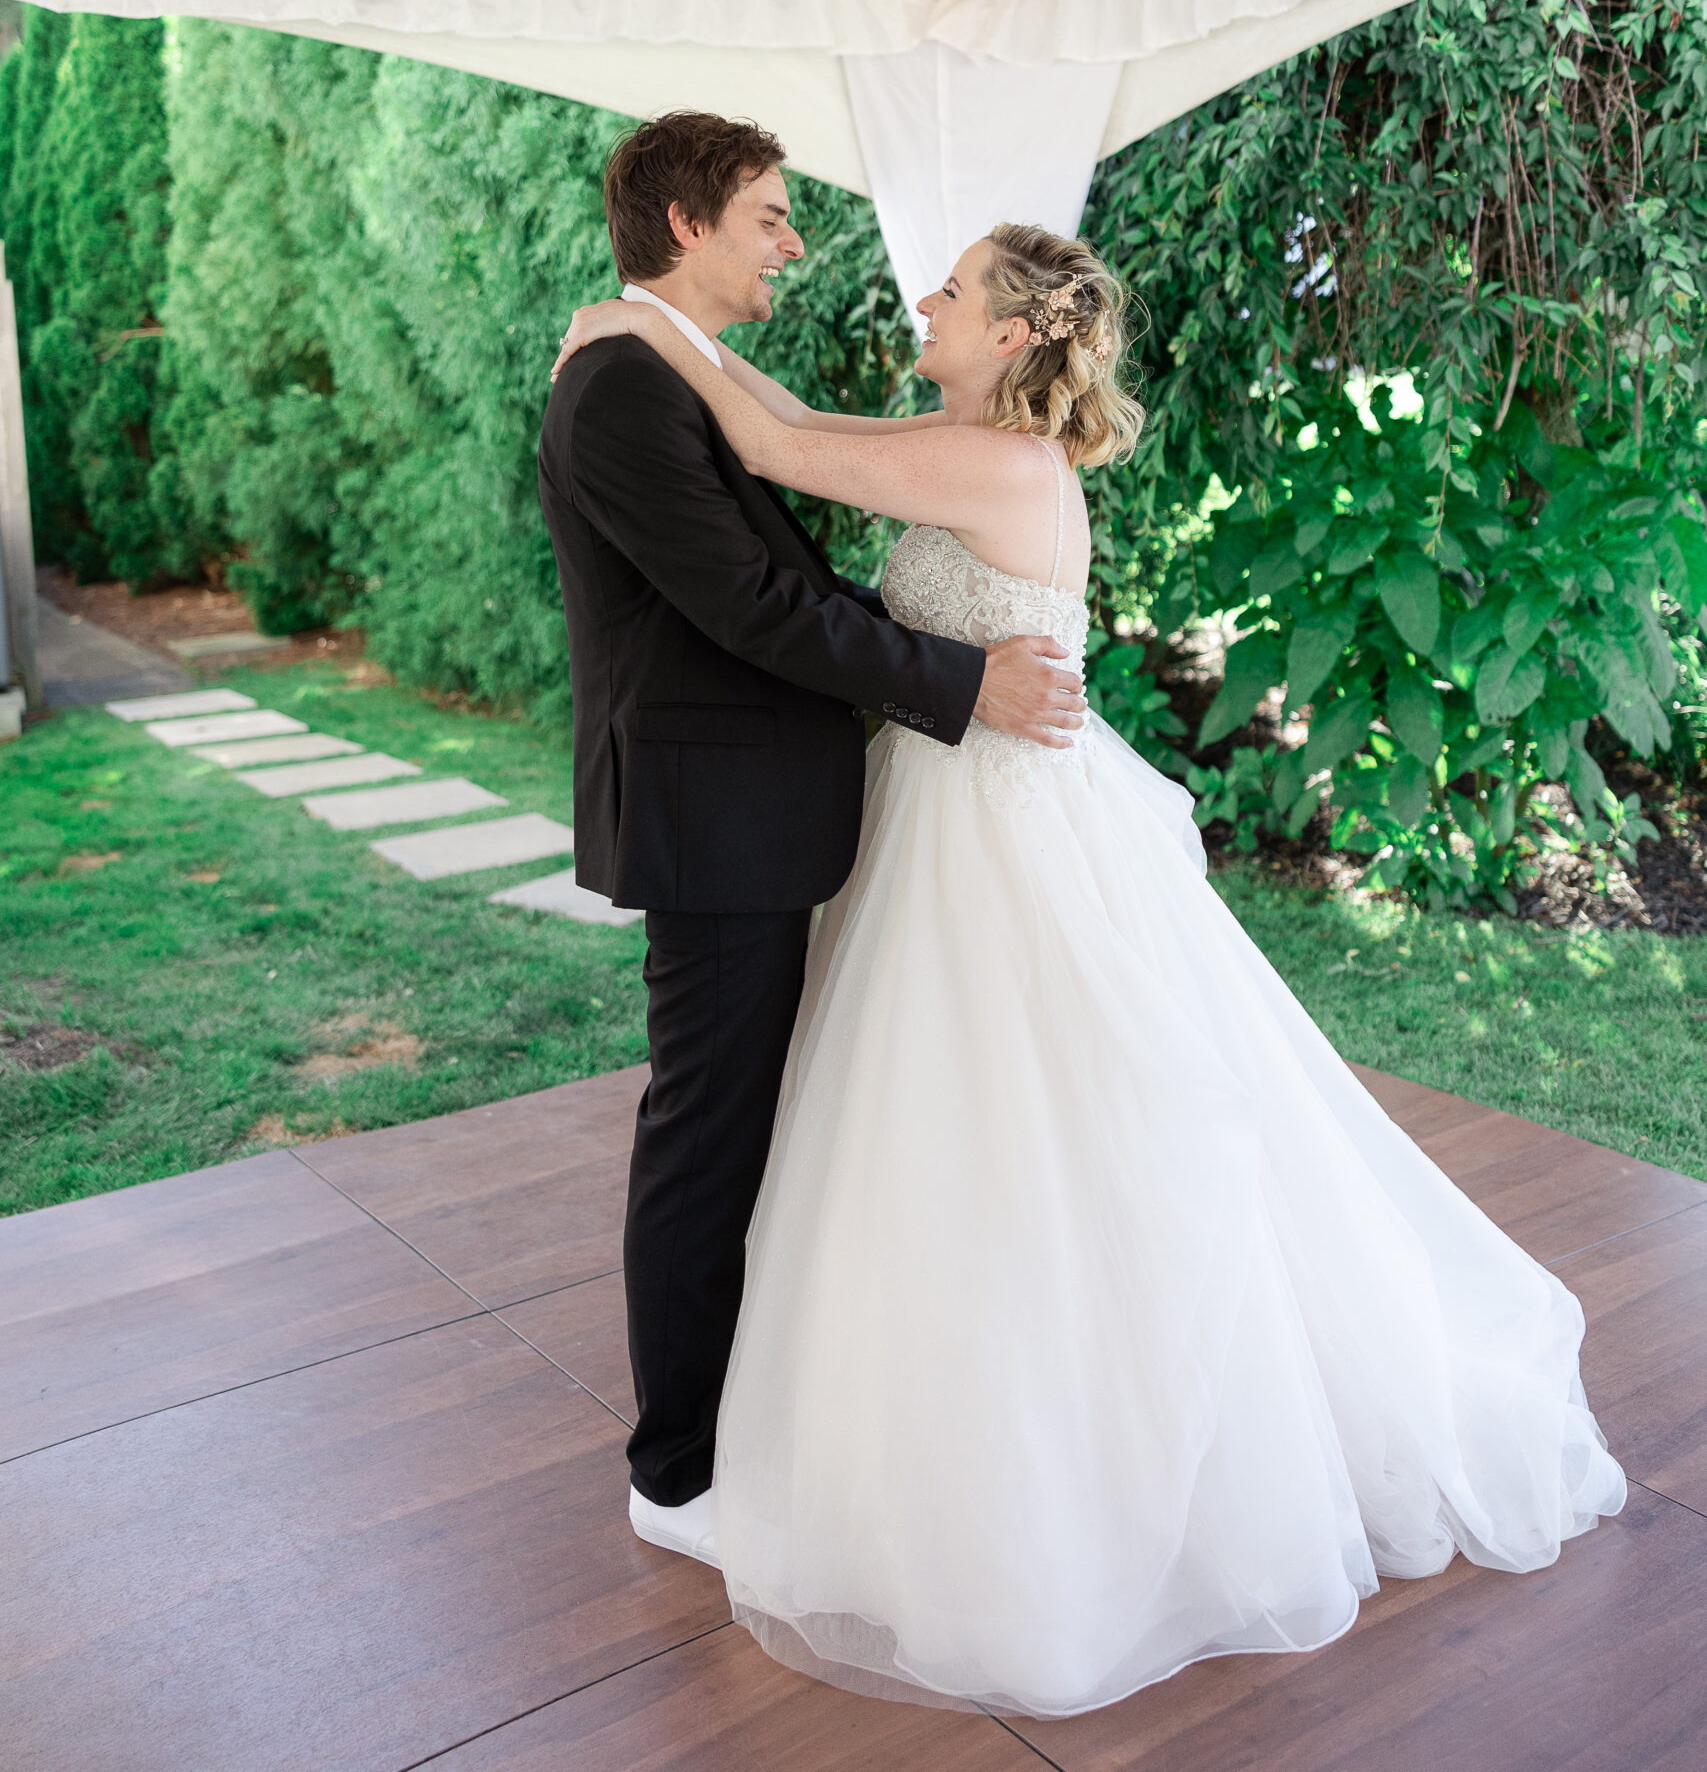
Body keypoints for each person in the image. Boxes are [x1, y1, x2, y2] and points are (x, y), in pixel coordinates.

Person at [554, 216, 1626, 1720]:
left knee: (1009, 1129)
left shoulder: (995, 468)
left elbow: (763, 438)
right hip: (950, 804)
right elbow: (790, 418)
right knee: (941, 1128)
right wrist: (654, 329)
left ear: (1009, 334)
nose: (918, 299)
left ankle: (1043, 1457)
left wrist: (625, 326)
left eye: (949, 288)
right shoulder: (957, 436)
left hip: (991, 828)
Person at [536, 113, 1084, 1570]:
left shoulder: (653, 367)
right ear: (685, 224)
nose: (795, 241)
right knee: (707, 1136)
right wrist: (965, 686)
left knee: (765, 1127)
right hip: (714, 822)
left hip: (762, 814)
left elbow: (779, 460)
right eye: (770, 216)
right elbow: (752, 608)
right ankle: (679, 1472)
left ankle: (751, 1418)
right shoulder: (621, 391)